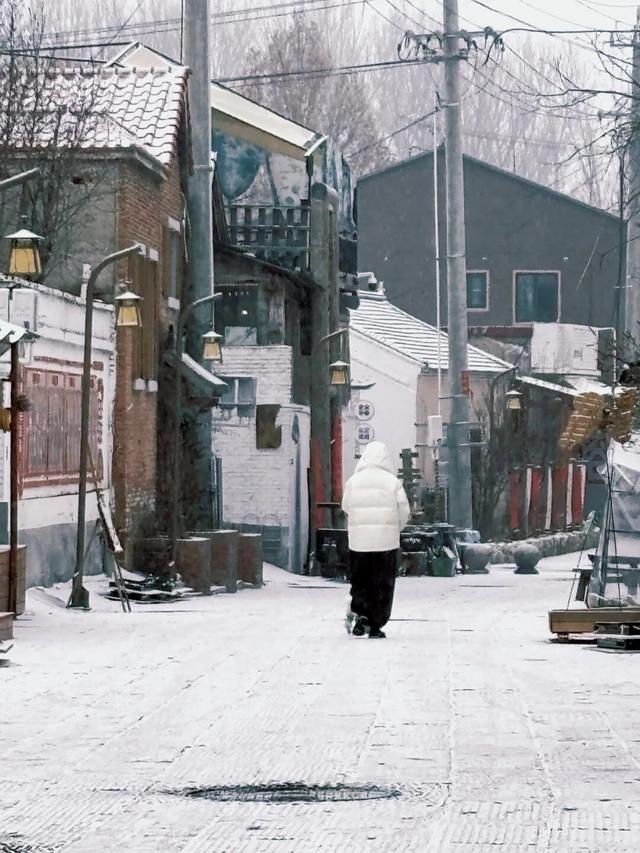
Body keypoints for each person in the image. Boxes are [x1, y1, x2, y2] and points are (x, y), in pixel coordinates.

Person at [341, 441, 410, 638]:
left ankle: (360, 617)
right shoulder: (392, 482)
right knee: (382, 583)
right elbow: (404, 511)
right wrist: (396, 529)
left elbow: (346, 507)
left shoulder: (353, 481)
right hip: (386, 544)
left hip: (359, 543)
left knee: (360, 580)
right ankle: (376, 623)